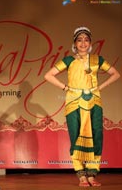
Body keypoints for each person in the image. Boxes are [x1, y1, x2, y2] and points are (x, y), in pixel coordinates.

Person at [44, 27, 120, 187]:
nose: (83, 43)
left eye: (86, 40)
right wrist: (66, 88)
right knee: (76, 136)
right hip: (74, 103)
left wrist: (100, 87)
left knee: (96, 136)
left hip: (94, 102)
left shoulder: (96, 60)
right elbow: (48, 75)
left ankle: (92, 174)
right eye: (80, 40)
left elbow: (116, 74)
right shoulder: (69, 61)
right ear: (75, 43)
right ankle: (81, 175)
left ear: (90, 43)